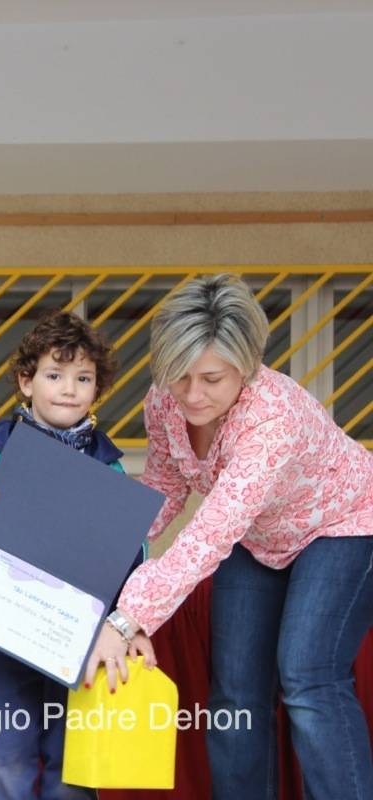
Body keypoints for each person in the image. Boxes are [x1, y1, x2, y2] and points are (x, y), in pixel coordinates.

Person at [83, 274, 373, 798]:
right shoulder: (164, 402)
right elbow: (165, 486)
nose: (193, 394)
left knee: (307, 676)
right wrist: (96, 555)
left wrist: (126, 620)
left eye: (212, 379)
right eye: (180, 375)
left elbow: (210, 533)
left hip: (343, 523)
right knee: (235, 693)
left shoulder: (272, 419)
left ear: (247, 365)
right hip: (260, 535)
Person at [0, 311, 141, 800]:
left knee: (71, 762)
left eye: (83, 378)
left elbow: (131, 552)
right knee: (4, 755)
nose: (69, 389)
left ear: (98, 389)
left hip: (80, 634)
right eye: (54, 375)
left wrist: (130, 620)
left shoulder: (109, 467)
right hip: (7, 629)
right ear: (26, 382)